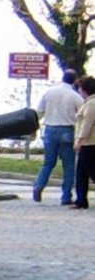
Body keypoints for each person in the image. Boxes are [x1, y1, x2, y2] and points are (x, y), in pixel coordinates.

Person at [34, 68, 83, 204]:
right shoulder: (75, 96)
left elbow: (39, 112)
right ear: (74, 80)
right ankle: (66, 196)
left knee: (48, 163)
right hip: (67, 129)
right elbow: (82, 113)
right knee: (69, 165)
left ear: (63, 78)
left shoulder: (49, 92)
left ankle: (39, 185)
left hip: (50, 128)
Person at [74, 75, 95, 211]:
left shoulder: (91, 104)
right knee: (81, 172)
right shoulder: (87, 102)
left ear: (85, 90)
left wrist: (79, 141)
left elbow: (87, 124)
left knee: (91, 170)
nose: (79, 91)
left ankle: (81, 200)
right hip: (87, 142)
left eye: (80, 88)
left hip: (90, 143)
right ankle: (81, 200)